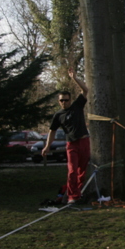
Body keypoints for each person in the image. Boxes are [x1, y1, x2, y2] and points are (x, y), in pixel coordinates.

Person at [42, 68, 90, 204]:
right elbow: (52, 131)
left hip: (84, 141)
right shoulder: (58, 115)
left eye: (66, 100)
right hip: (72, 144)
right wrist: (47, 146)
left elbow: (85, 90)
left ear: (70, 100)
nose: (64, 102)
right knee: (72, 171)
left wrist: (74, 78)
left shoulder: (77, 106)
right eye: (62, 101)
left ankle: (78, 193)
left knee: (82, 171)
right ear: (59, 102)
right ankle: (72, 197)